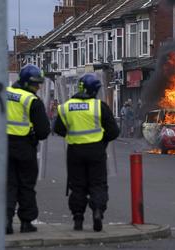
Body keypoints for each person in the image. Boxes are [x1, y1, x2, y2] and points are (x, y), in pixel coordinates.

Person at [54, 73, 119, 232]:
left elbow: (58, 129)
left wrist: (72, 134)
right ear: (94, 90)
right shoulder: (99, 106)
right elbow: (114, 131)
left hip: (75, 151)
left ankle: (78, 218)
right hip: (96, 151)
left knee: (77, 186)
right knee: (98, 184)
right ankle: (97, 211)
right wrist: (102, 141)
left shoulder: (66, 107)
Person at [6, 64, 51, 234]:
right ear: (26, 83)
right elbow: (43, 131)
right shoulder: (32, 101)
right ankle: (26, 222)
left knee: (8, 185)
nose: (38, 87)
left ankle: (5, 221)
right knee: (26, 185)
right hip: (24, 147)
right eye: (35, 84)